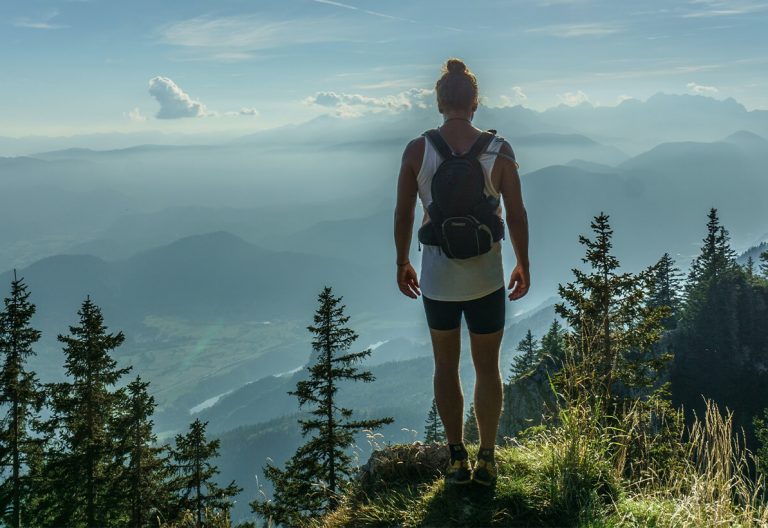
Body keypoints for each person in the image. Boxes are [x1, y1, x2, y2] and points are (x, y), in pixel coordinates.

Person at [393, 58, 530, 487]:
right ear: (475, 102)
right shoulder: (499, 150)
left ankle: (456, 460)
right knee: (488, 368)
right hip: (487, 278)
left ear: (439, 102)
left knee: (445, 366)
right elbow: (517, 213)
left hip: (438, 280)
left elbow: (403, 211)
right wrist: (524, 262)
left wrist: (402, 261)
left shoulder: (418, 150)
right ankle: (487, 459)